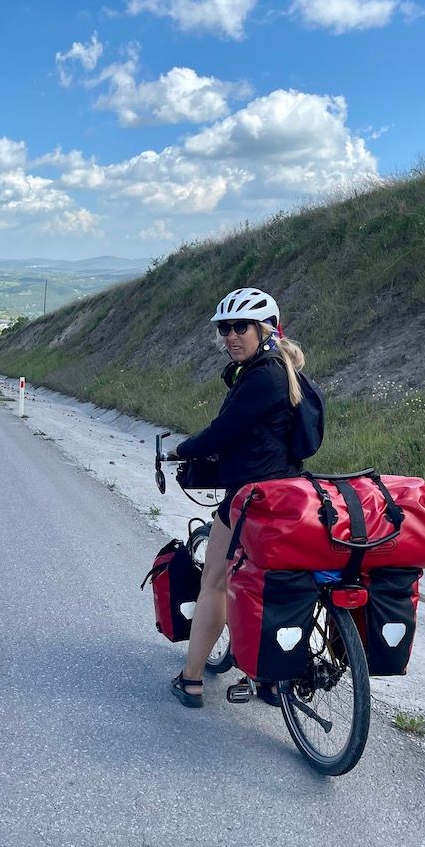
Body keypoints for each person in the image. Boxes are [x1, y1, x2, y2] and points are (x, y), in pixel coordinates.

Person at [168, 287, 307, 708]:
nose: (230, 336)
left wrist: (182, 449)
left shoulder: (262, 376)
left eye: (240, 327)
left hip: (251, 498)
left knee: (214, 581)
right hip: (288, 495)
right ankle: (269, 680)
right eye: (225, 328)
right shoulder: (285, 371)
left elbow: (223, 430)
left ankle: (191, 679)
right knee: (266, 584)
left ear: (266, 330)